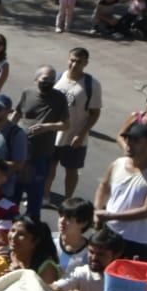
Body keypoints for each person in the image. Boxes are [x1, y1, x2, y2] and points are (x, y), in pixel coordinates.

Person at [94, 121, 147, 260]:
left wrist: (111, 216)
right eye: (128, 138)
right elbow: (104, 187)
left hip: (136, 241)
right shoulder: (118, 163)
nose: (129, 143)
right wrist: (97, 210)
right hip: (110, 233)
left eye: (136, 140)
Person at [15, 66, 67, 222]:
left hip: (41, 152)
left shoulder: (59, 98)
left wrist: (47, 127)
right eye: (45, 79)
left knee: (35, 189)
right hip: (22, 150)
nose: (49, 82)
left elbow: (65, 125)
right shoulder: (27, 93)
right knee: (16, 187)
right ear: (36, 78)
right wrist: (8, 132)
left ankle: (32, 220)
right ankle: (11, 216)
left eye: (52, 80)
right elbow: (17, 114)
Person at [50, 48, 101, 201]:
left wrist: (81, 133)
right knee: (49, 167)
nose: (74, 64)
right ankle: (44, 195)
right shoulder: (57, 78)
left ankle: (68, 200)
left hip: (74, 137)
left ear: (85, 63)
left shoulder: (91, 84)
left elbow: (94, 113)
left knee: (71, 170)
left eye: (79, 62)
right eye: (72, 60)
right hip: (53, 133)